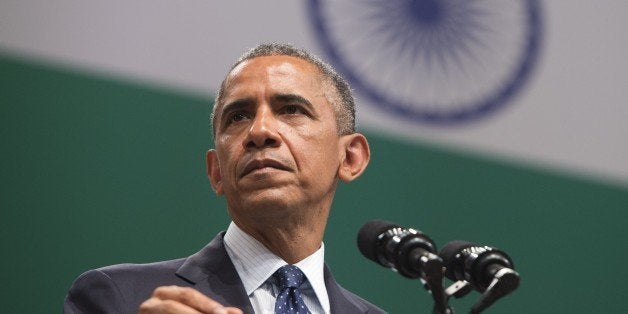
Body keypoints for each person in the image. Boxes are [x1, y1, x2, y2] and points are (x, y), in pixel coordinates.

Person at [64, 43, 384, 314]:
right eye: (238, 117)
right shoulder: (121, 298)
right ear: (217, 171)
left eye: (290, 110)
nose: (259, 131)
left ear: (350, 157)